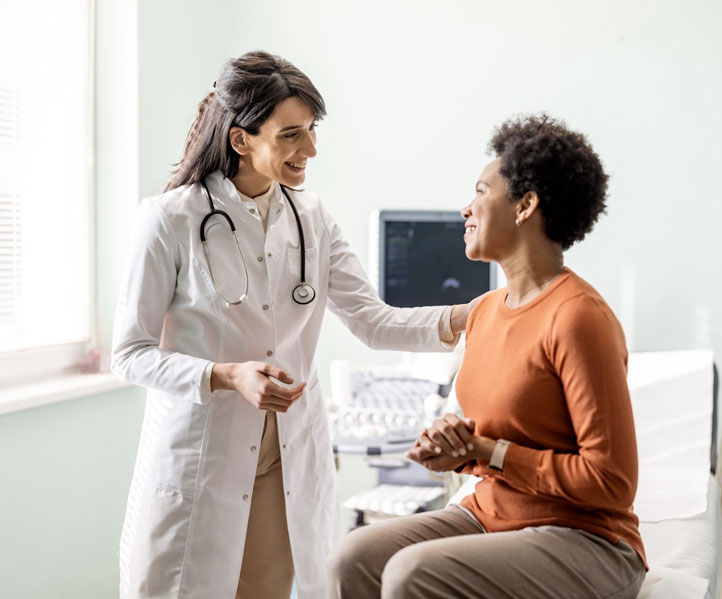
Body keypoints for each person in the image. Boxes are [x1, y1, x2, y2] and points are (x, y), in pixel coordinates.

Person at [111, 50, 475, 599]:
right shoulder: (170, 219)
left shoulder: (312, 218)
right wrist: (227, 375)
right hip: (203, 457)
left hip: (285, 461)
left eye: (311, 131)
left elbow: (372, 322)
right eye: (291, 135)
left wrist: (474, 315)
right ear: (241, 140)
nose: (310, 149)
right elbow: (130, 353)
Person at [328, 114, 647, 599]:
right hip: (490, 515)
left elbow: (611, 482)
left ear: (526, 206)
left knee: (411, 574)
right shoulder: (484, 313)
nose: (466, 208)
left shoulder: (579, 317)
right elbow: (495, 439)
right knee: (349, 559)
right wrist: (455, 449)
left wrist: (487, 453)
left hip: (586, 538)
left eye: (480, 191)